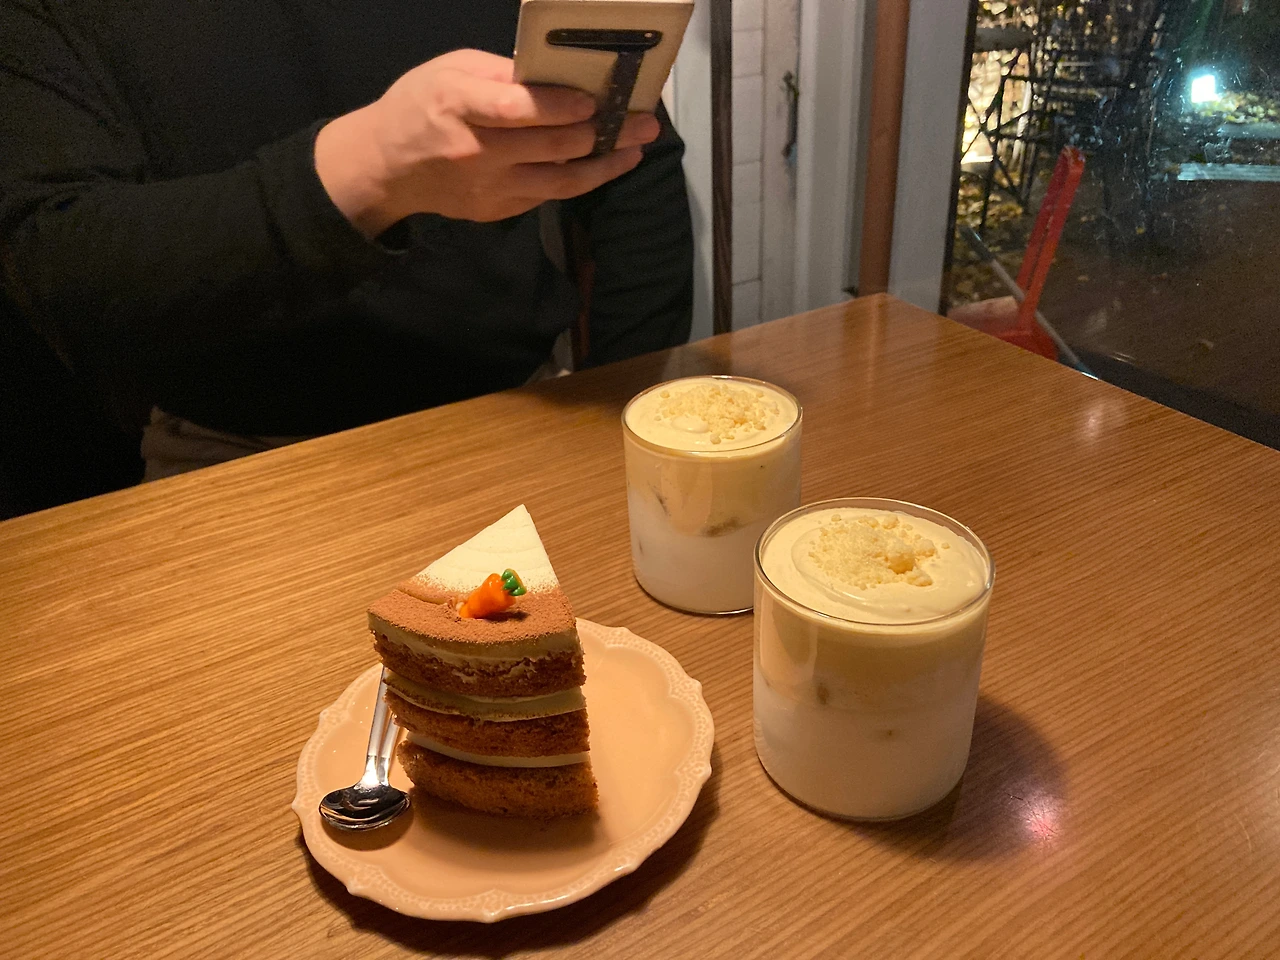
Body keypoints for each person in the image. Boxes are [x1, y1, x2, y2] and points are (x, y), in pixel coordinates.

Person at [0, 1, 693, 479]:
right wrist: (365, 171)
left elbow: (636, 158)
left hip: (520, 406)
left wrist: (630, 405)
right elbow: (55, 261)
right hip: (231, 452)